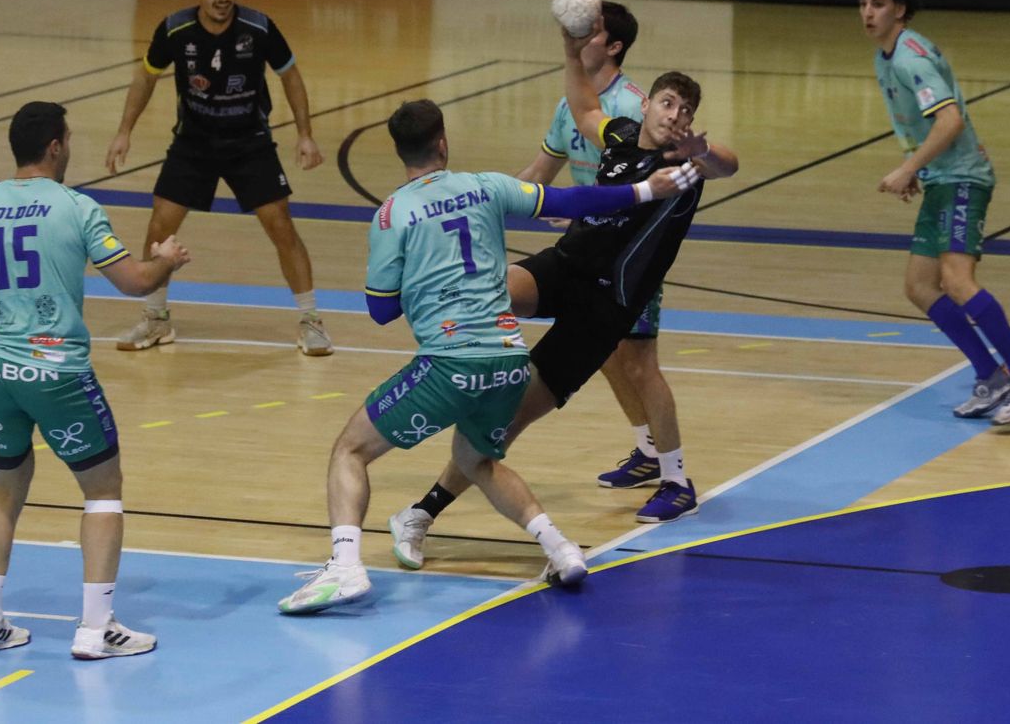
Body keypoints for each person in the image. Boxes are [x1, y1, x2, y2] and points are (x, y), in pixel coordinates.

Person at [277, 100, 702, 614]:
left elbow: (381, 310)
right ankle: (559, 548)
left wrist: (423, 283)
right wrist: (643, 189)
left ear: (399, 151)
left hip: (450, 363)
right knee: (477, 458)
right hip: (507, 362)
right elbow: (571, 199)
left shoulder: (392, 213)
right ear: (442, 143)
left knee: (350, 450)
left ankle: (344, 566)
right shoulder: (486, 186)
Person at [387, 19, 740, 568]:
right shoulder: (621, 134)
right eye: (670, 104)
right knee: (488, 288)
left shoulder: (686, 166)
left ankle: (422, 512)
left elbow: (729, 164)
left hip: (603, 311)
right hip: (566, 266)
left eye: (687, 111)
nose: (677, 117)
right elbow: (584, 109)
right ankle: (455, 362)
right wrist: (572, 50)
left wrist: (705, 149)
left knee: (502, 424)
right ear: (648, 106)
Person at [0, 101, 191, 659]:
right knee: (102, 491)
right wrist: (166, 259)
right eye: (68, 139)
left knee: (5, 492)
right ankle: (96, 629)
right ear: (55, 146)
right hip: (57, 374)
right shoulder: (77, 208)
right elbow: (133, 282)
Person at [105, 0, 330, 356]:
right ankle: (155, 319)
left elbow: (290, 77)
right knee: (160, 226)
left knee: (281, 226)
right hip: (194, 143)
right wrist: (124, 131)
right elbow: (146, 78)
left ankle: (311, 321)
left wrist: (305, 134)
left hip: (250, 142)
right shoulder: (175, 30)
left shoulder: (258, 28)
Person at [511, 0, 690, 502]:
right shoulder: (573, 103)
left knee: (639, 363)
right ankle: (647, 450)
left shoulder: (636, 109)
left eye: (590, 31)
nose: (578, 33)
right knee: (607, 356)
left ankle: (677, 476)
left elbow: (656, 190)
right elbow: (538, 175)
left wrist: (591, 211)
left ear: (613, 46)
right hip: (587, 253)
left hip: (631, 258)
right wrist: (487, 201)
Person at [858, 0, 1010, 424]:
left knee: (958, 280)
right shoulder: (886, 58)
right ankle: (992, 374)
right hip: (942, 179)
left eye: (878, 4)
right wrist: (918, 170)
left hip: (963, 178)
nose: (868, 12)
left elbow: (950, 121)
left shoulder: (910, 59)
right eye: (863, 3)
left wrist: (908, 167)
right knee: (920, 287)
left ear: (900, 9)